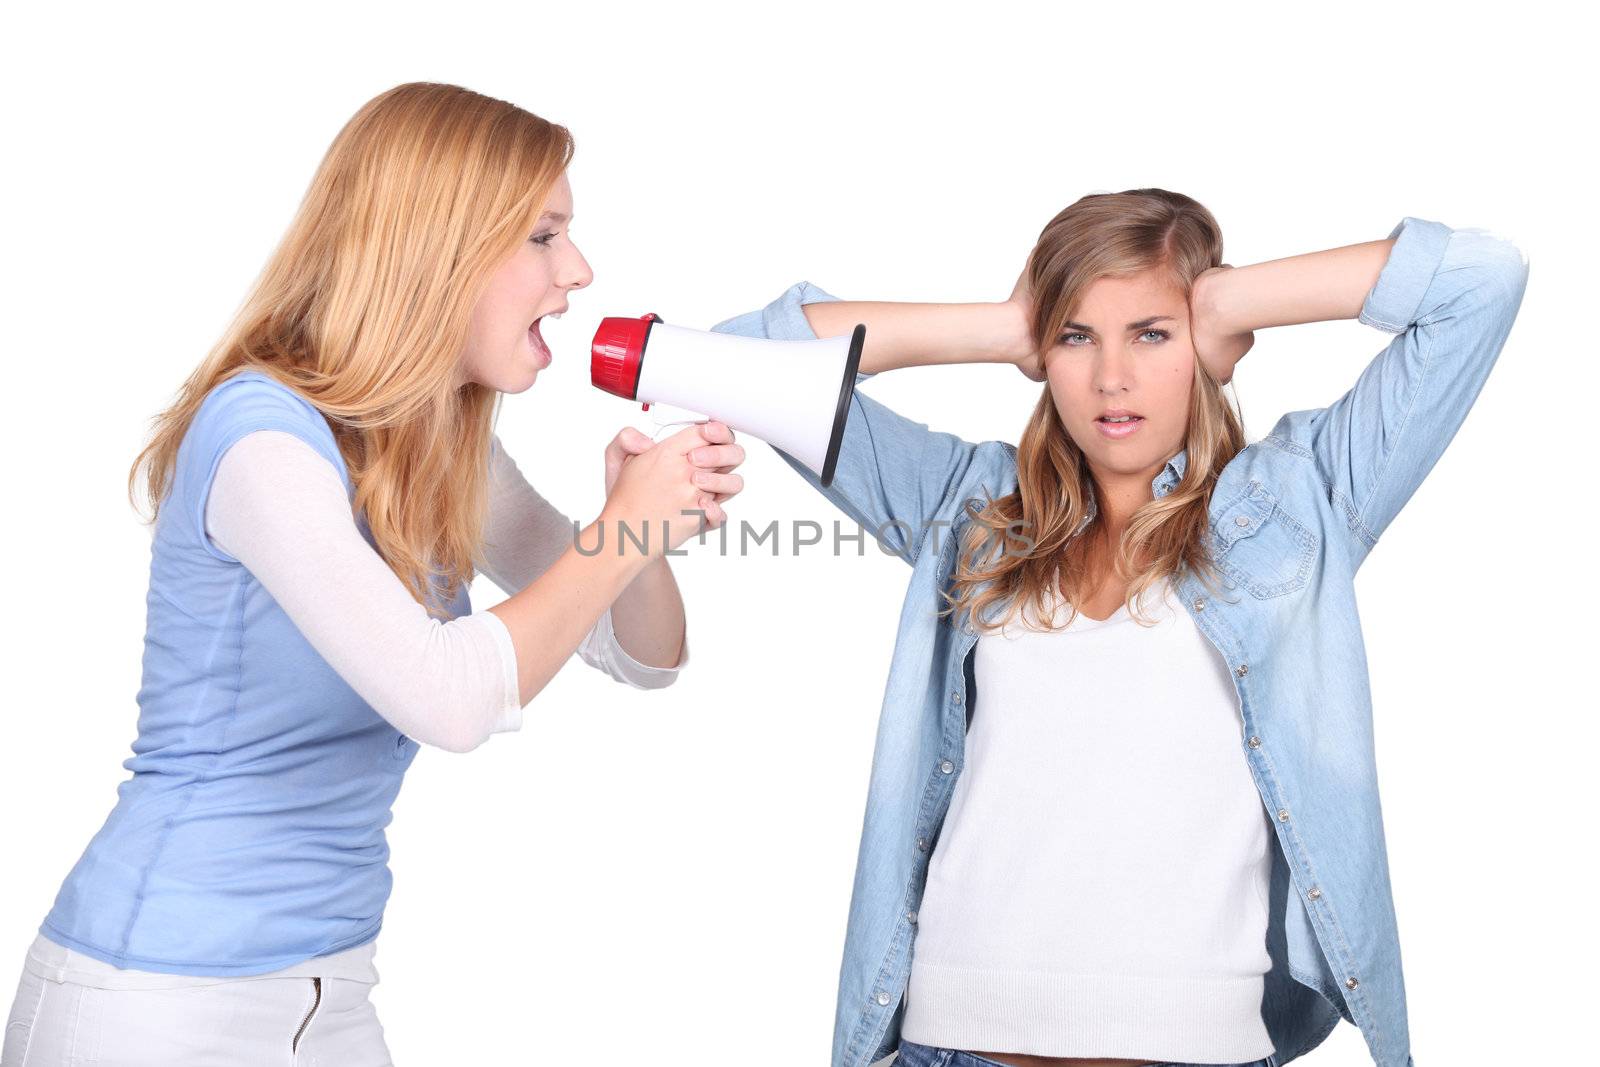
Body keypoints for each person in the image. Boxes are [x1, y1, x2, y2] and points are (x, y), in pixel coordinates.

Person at [0, 82, 747, 1066]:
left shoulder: (434, 444)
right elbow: (450, 696)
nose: (578, 269)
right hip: (154, 998)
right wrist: (616, 530)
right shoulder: (260, 437)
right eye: (541, 236)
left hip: (329, 993)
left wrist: (638, 536)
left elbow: (643, 657)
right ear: (438, 246)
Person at [711, 189, 1528, 1067]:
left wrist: (1224, 300)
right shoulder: (967, 509)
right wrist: (1004, 326)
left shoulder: (1302, 502)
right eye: (1076, 338)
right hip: (950, 1046)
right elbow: (740, 362)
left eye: (1151, 333)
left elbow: (1484, 280)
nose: (1111, 379)